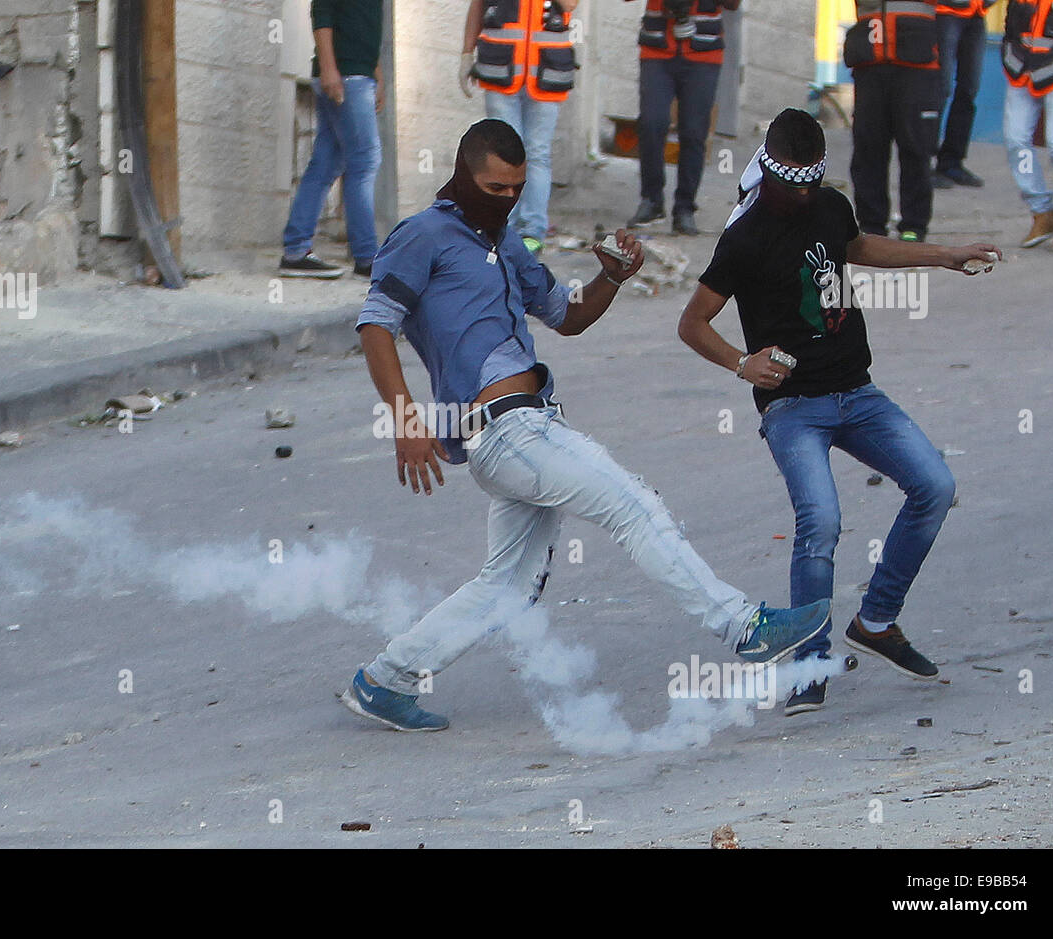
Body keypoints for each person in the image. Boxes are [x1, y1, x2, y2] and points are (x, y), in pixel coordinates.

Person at [341, 119, 832, 732]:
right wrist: (405, 418)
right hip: (508, 432)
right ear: (462, 175)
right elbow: (375, 324)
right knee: (635, 506)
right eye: (494, 187)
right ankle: (745, 627)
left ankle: (385, 680)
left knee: (509, 587)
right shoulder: (422, 235)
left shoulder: (505, 242)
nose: (507, 199)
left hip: (525, 428)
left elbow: (567, 317)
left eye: (517, 188)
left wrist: (611, 276)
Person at [678, 108, 999, 714]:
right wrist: (742, 364)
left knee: (935, 484)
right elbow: (692, 322)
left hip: (857, 392)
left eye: (809, 182)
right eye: (789, 183)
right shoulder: (743, 237)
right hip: (792, 406)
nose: (800, 195)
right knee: (820, 522)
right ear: (768, 170)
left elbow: (858, 247)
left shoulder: (828, 205)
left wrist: (944, 256)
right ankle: (808, 664)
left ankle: (876, 622)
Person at [462, 0, 580, 257]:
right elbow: (478, 7)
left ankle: (532, 231)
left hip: (546, 72)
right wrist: (465, 54)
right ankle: (500, 226)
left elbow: (570, 5)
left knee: (536, 153)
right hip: (500, 70)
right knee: (501, 156)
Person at [279, 0, 385, 279]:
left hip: (357, 75)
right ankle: (367, 258)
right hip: (345, 76)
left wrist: (377, 74)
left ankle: (295, 251)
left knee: (326, 163)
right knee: (364, 161)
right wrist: (328, 69)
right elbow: (322, 10)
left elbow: (367, 23)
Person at [625, 0, 741, 236]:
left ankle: (685, 208)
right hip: (657, 48)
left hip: (704, 52)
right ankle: (651, 199)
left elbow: (733, 4)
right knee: (651, 123)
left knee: (694, 132)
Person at [845, 0, 942, 242]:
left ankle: (914, 226)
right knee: (868, 147)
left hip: (916, 62)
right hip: (870, 62)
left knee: (916, 147)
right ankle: (871, 225)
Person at [1001, 0, 1053, 250]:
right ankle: (1042, 213)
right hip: (1022, 72)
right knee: (1016, 140)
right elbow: (1011, 27)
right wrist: (1011, 56)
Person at [932, 1, 999, 189]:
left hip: (977, 14)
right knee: (939, 90)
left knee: (969, 89)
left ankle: (951, 163)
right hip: (946, 13)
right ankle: (922, 164)